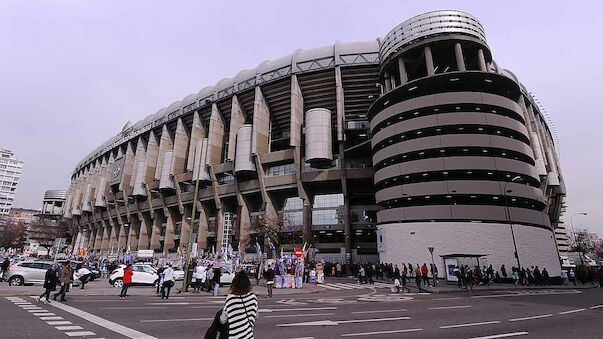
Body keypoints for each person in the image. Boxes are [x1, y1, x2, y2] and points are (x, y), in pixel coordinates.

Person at [204, 271, 258, 339]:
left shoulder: (231, 298)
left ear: (234, 284)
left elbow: (223, 320)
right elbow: (256, 316)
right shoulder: (253, 297)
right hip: (248, 336)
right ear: (248, 284)